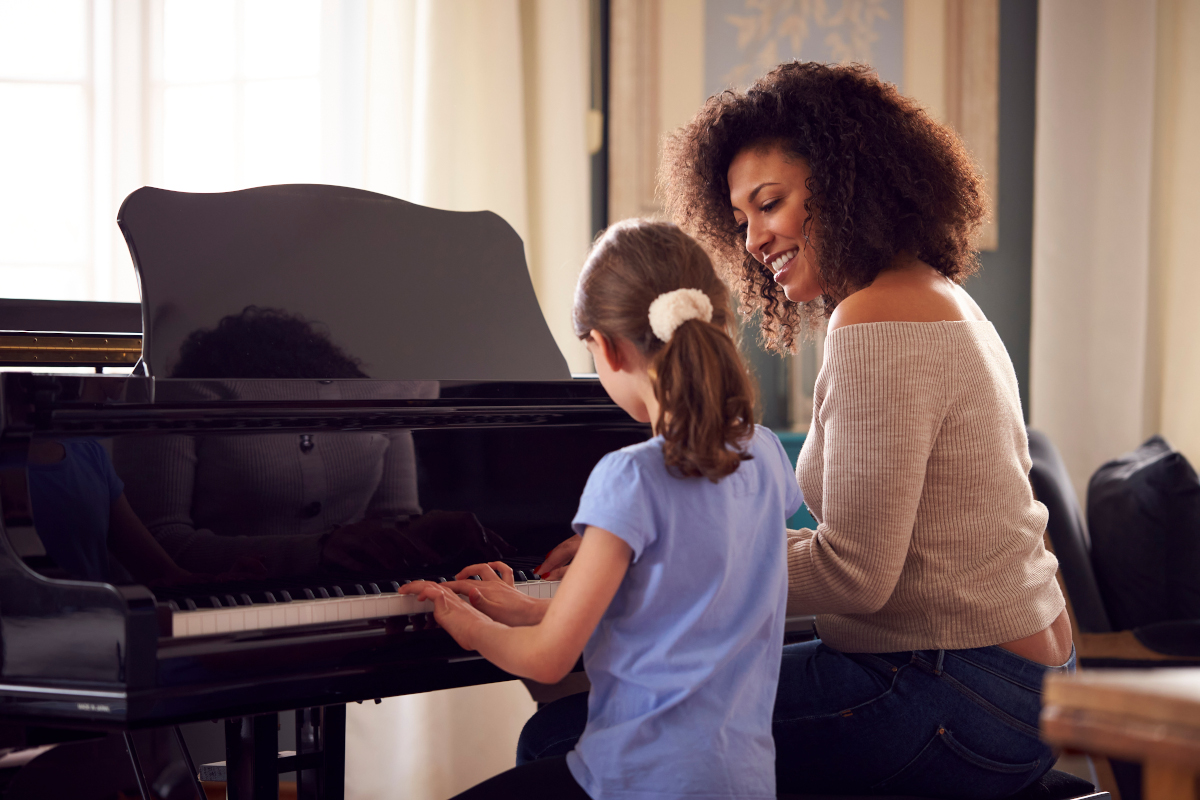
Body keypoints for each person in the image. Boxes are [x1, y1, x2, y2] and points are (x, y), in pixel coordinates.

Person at [534, 62, 1073, 798]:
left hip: (952, 694)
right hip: (1008, 684)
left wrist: (642, 558)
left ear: (849, 183)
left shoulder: (878, 317)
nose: (753, 238)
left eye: (770, 203)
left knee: (565, 735)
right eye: (740, 220)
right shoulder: (929, 295)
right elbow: (859, 557)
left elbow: (856, 576)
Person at [401, 219, 802, 800]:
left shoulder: (630, 476)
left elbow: (547, 661)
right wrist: (526, 608)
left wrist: (467, 623)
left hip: (634, 782)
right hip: (739, 780)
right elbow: (676, 599)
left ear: (607, 348)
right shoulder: (763, 453)